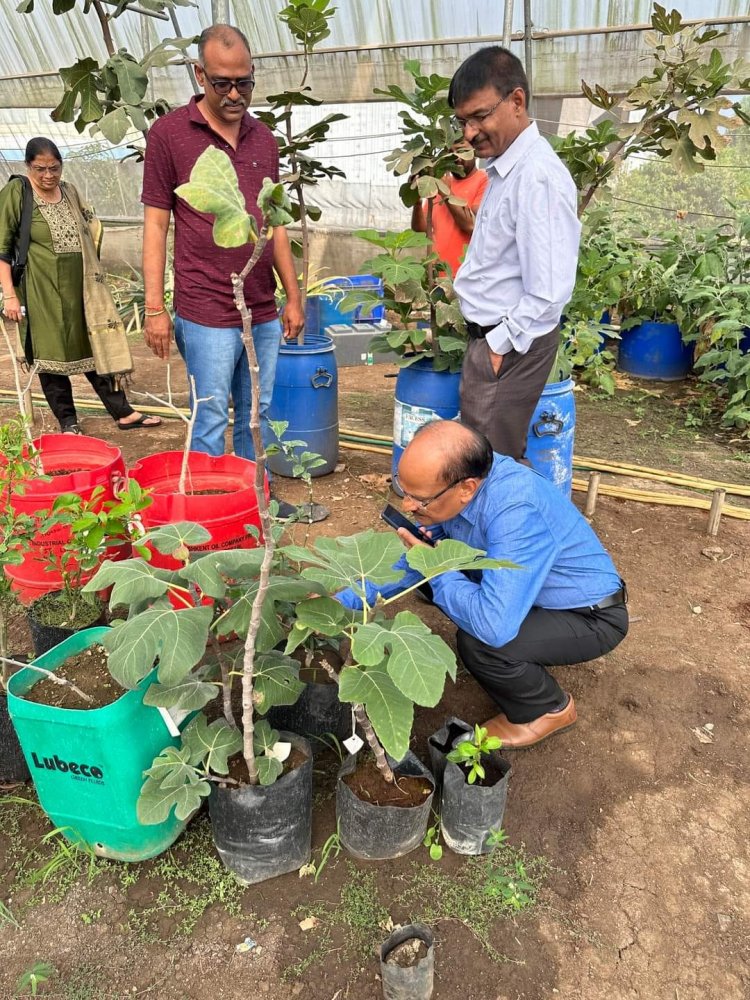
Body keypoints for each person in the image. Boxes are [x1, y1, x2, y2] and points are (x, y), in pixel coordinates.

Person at [337, 420, 628, 749]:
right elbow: (419, 558)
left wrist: (438, 569)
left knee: (482, 643)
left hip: (589, 616)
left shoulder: (515, 511)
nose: (407, 506)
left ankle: (547, 708)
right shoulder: (465, 485)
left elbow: (494, 626)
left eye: (420, 500)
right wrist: (341, 600)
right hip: (535, 597)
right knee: (432, 579)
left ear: (467, 488)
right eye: (403, 491)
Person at [141, 24, 304, 517]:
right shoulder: (169, 135)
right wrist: (154, 308)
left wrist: (291, 296)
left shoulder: (264, 138)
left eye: (245, 82)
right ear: (199, 75)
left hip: (261, 309)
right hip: (205, 307)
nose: (235, 94)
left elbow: (275, 224)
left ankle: (254, 503)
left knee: (258, 415)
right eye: (222, 83)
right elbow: (155, 225)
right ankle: (213, 514)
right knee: (210, 415)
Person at [449, 47, 581, 461]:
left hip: (508, 345)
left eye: (480, 116)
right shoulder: (507, 170)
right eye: (463, 121)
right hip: (496, 342)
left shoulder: (536, 176)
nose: (470, 133)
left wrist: (497, 347)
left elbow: (549, 292)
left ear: (517, 102)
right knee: (484, 457)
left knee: (489, 465)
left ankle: (494, 529)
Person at [0, 138, 161, 435]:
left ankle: (122, 412)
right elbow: (3, 247)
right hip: (41, 292)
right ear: (27, 166)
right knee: (50, 357)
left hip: (82, 290)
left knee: (94, 346)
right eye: (40, 169)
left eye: (54, 168)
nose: (48, 175)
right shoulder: (17, 192)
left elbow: (92, 230)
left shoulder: (70, 191)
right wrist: (9, 294)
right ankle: (68, 422)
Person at [410, 143, 488, 277]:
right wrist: (416, 201)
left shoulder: (485, 180)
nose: (456, 157)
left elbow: (472, 225)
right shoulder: (440, 182)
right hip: (436, 275)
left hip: (466, 278)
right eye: (450, 152)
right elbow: (421, 230)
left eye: (462, 151)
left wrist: (445, 192)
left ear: (474, 152)